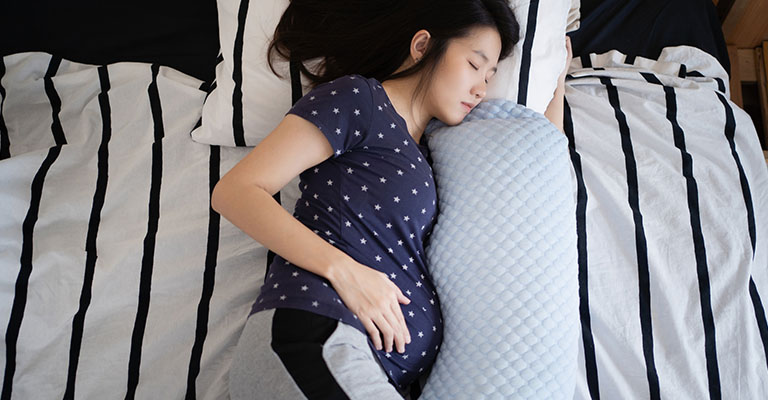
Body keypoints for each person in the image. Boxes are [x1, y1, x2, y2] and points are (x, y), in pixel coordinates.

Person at [213, 1, 568, 398]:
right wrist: (346, 273)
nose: (481, 88)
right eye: (473, 64)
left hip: (364, 365)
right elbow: (236, 191)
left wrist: (559, 79)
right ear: (422, 46)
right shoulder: (360, 100)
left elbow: (539, 168)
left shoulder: (435, 147)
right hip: (316, 336)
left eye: (490, 75)